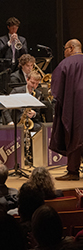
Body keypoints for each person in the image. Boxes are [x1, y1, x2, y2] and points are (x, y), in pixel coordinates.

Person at [50, 39, 83, 181]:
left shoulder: (66, 63)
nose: (64, 53)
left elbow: (56, 91)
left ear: (70, 48)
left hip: (75, 107)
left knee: (75, 137)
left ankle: (73, 171)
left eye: (64, 49)